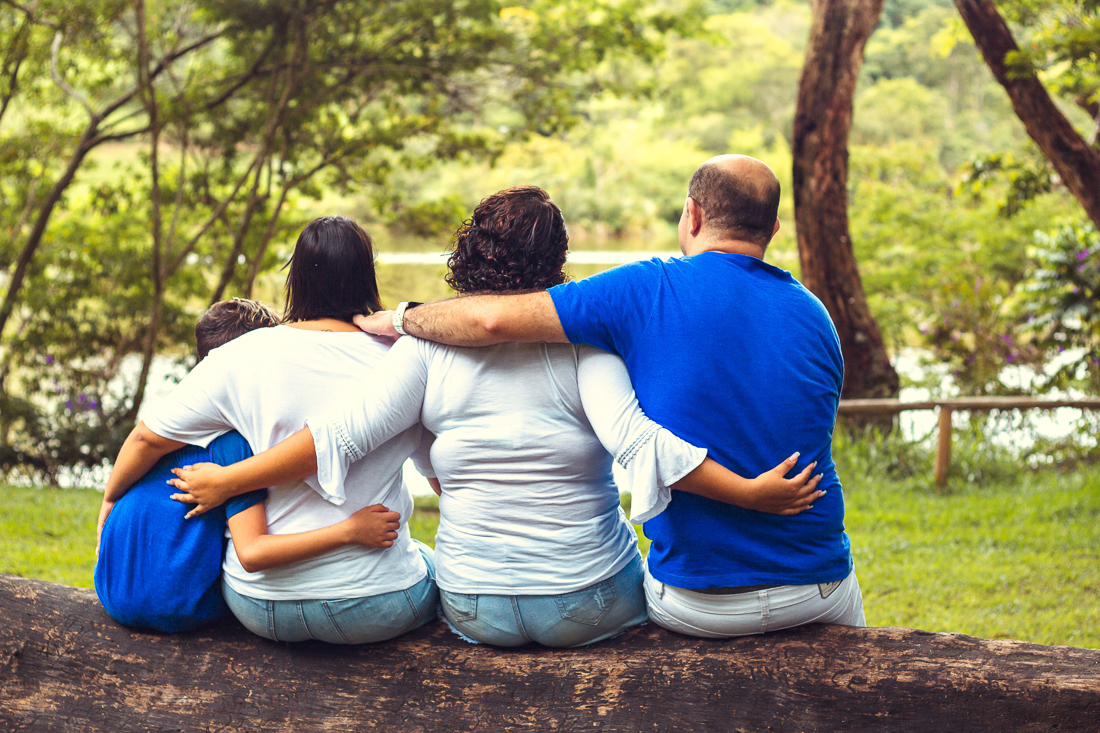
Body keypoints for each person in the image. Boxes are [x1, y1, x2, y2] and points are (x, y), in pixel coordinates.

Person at [166, 187, 825, 648]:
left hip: (473, 606)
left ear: (472, 248)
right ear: (558, 261)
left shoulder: (424, 345)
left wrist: (232, 480)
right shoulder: (584, 345)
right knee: (643, 572)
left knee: (423, 559)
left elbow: (338, 434)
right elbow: (637, 441)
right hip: (584, 600)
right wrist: (749, 492)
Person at [349, 156, 865, 638]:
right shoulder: (817, 315)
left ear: (692, 214)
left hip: (696, 601)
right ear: (773, 229)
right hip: (817, 586)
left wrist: (399, 319)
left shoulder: (644, 290)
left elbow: (491, 318)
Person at [97, 217, 437, 644]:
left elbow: (147, 438)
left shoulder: (244, 353)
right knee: (430, 564)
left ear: (295, 279)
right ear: (367, 276)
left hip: (260, 605)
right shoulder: (405, 361)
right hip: (374, 601)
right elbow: (440, 477)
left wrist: (111, 496)